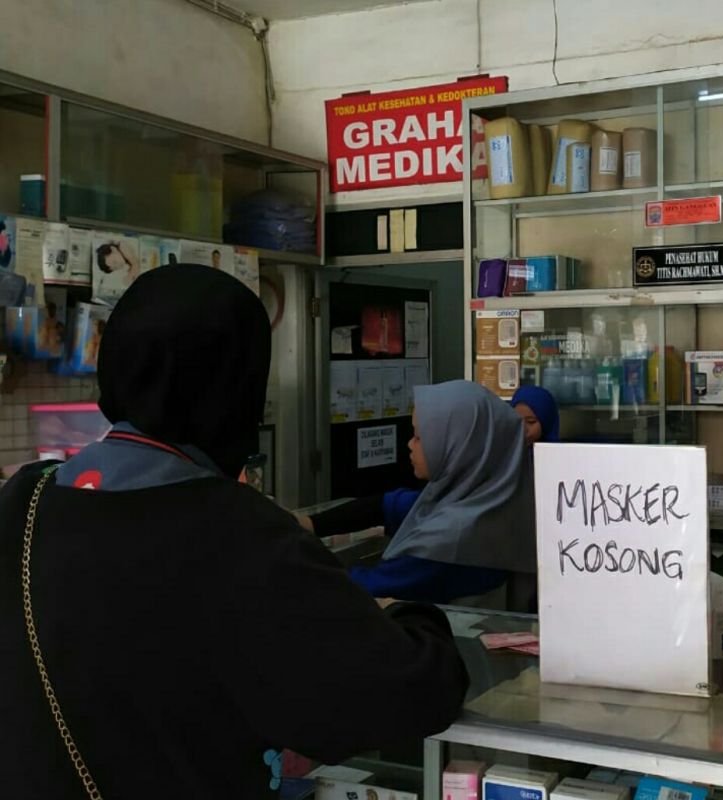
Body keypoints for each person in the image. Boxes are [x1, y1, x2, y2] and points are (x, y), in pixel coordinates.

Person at [0, 264, 467, 799]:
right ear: (235, 388)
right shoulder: (240, 535)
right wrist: (406, 614)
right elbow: (410, 691)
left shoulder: (25, 499)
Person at [302, 381, 535, 606]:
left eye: (419, 437)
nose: (409, 444)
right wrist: (310, 523)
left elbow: (364, 588)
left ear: (459, 448)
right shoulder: (486, 500)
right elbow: (390, 505)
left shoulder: (451, 537)